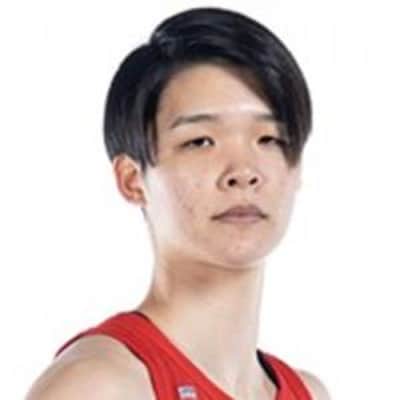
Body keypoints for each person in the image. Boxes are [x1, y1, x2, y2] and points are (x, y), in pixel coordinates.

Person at [26, 6, 331, 400]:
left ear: (297, 168)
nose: (243, 171)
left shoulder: (308, 392)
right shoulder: (97, 386)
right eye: (200, 141)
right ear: (133, 180)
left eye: (269, 139)